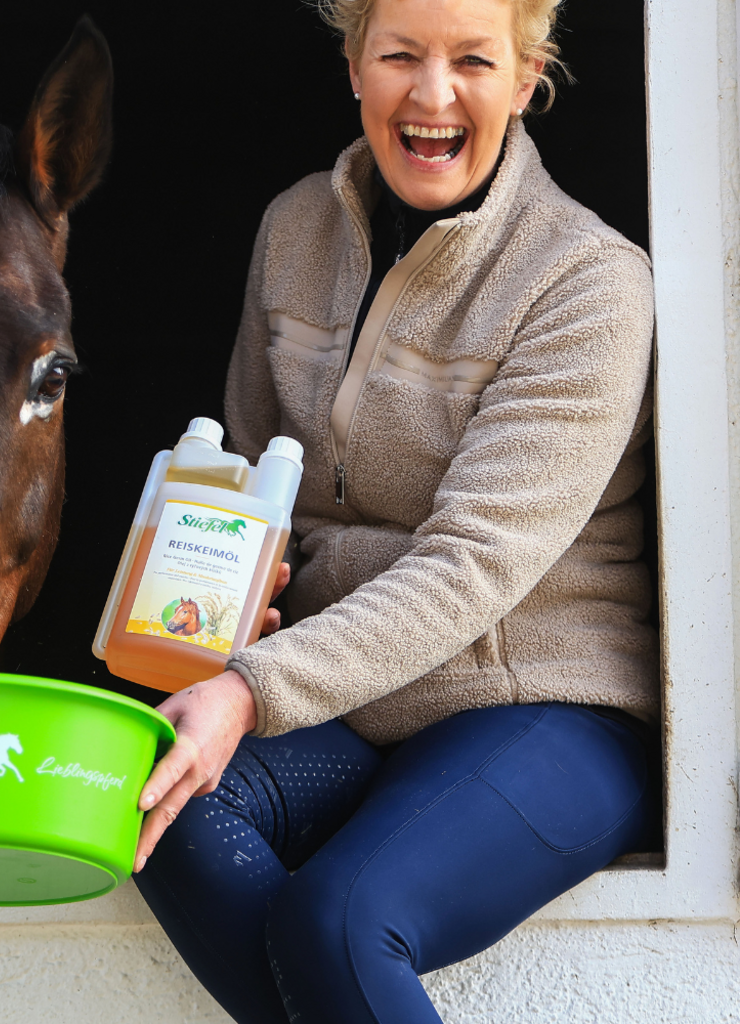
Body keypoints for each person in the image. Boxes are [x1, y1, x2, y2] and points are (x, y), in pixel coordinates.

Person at [132, 0, 661, 1020]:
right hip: (343, 700)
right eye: (400, 55)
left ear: (526, 79)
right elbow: (254, 480)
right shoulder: (294, 230)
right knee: (158, 799)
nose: (432, 94)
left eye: (474, 61)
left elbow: (474, 565)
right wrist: (222, 593)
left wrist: (248, 689)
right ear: (353, 66)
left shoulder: (588, 281)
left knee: (340, 918)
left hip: (539, 703)